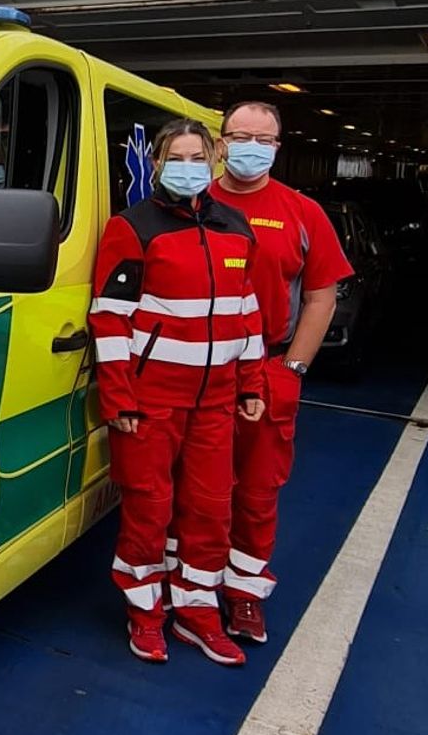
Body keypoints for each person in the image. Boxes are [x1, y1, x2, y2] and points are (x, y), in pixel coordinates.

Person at [89, 119, 266, 666]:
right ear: (157, 164)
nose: (187, 167)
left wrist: (251, 383)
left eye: (196, 157)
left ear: (214, 161)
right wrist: (119, 399)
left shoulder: (235, 227)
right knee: (149, 510)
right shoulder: (132, 228)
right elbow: (109, 319)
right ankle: (145, 614)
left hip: (215, 402)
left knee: (210, 511)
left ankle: (197, 612)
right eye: (176, 157)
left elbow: (247, 311)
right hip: (150, 403)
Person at [211, 100, 353, 645]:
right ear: (220, 143)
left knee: (256, 490)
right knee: (194, 485)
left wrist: (293, 367)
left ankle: (244, 593)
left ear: (277, 148)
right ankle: (191, 587)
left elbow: (322, 296)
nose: (251, 148)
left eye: (263, 140)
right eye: (240, 137)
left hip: (267, 367)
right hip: (196, 367)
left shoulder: (301, 212)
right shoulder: (190, 202)